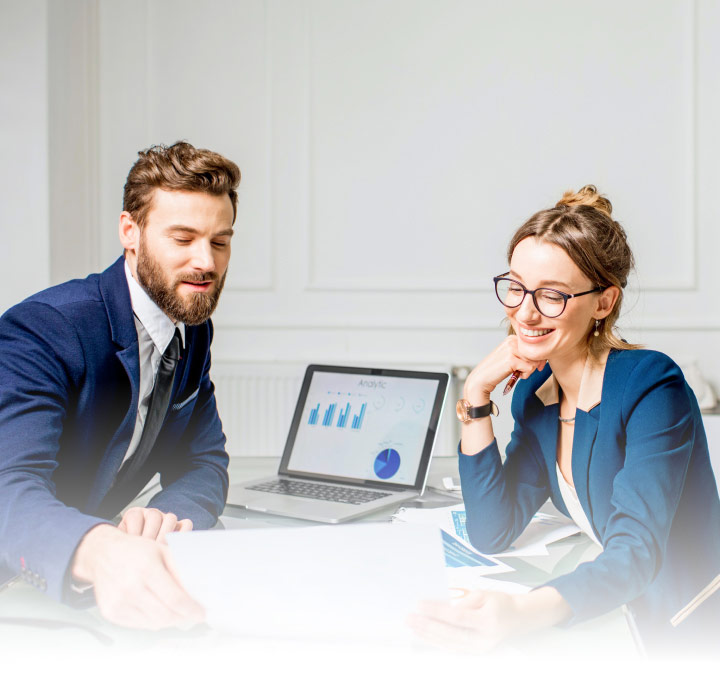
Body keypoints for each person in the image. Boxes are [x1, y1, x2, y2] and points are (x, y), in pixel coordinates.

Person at [408, 186, 720, 655]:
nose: (526, 312)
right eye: (516, 288)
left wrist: (520, 613)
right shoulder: (537, 396)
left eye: (552, 294)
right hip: (613, 616)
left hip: (683, 631)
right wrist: (475, 395)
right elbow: (493, 528)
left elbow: (635, 551)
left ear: (603, 302)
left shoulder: (652, 385)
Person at [0, 141, 240, 630]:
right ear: (130, 232)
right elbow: (8, 489)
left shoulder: (191, 325)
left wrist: (165, 519)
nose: (207, 263)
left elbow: (204, 460)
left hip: (81, 605)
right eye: (183, 238)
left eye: (219, 241)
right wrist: (103, 550)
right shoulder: (44, 329)